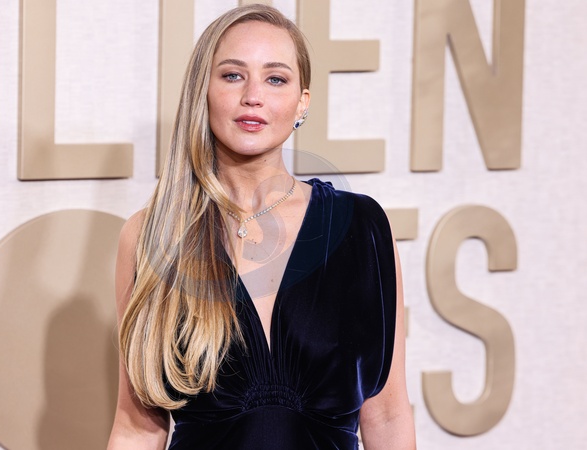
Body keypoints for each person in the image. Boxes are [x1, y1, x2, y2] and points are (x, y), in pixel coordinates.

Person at [108, 4, 415, 449]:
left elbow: (387, 415)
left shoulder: (362, 229)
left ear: (302, 102)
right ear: (203, 90)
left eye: (275, 79)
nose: (253, 96)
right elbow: (137, 426)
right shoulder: (153, 238)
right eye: (233, 75)